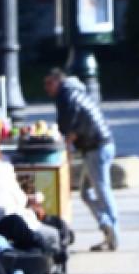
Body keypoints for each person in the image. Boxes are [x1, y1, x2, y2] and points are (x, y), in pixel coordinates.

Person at [44, 68, 119, 252]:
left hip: (97, 147)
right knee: (87, 192)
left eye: (47, 84)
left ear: (56, 81)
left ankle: (113, 231)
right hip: (99, 145)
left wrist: (68, 139)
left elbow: (72, 121)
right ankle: (107, 227)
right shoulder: (74, 91)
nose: (46, 89)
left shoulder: (66, 94)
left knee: (102, 190)